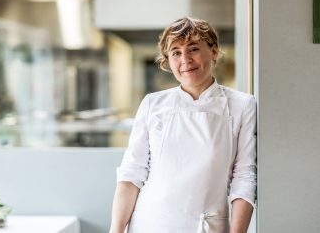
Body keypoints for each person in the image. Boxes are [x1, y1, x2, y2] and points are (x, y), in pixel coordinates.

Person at [110, 17, 257, 233]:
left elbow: (244, 177)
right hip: (151, 223)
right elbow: (132, 174)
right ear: (168, 60)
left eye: (194, 49)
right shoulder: (153, 104)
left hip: (206, 226)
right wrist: (116, 230)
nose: (185, 60)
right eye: (176, 52)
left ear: (214, 52)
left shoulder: (242, 105)